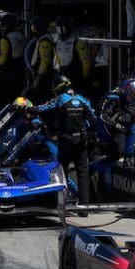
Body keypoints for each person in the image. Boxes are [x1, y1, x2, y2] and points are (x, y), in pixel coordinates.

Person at [37, 75, 97, 204]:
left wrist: (30, 109)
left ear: (59, 88)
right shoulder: (82, 99)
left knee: (61, 171)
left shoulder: (60, 99)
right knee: (82, 173)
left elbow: (44, 108)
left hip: (66, 141)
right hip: (82, 141)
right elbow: (93, 119)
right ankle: (84, 206)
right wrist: (82, 128)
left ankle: (60, 202)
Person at [99, 78, 135, 163]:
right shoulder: (112, 97)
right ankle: (92, 168)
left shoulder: (124, 98)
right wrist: (115, 124)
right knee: (113, 158)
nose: (133, 98)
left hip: (113, 128)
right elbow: (102, 116)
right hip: (104, 129)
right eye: (132, 94)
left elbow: (129, 109)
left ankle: (128, 158)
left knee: (132, 125)